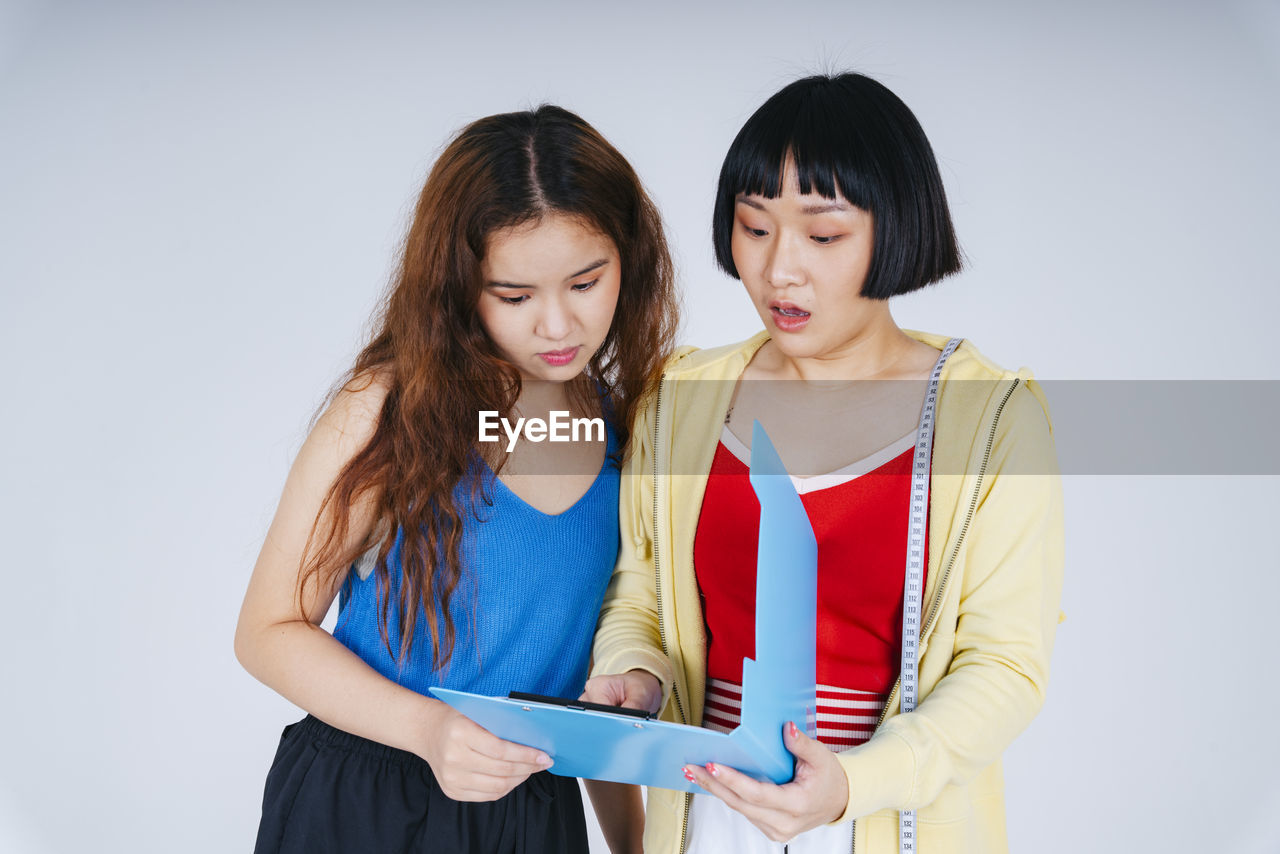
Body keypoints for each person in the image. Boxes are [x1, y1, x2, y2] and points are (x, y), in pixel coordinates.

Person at [583, 73, 1064, 854]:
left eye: (824, 235)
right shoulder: (683, 397)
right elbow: (641, 589)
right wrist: (635, 675)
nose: (779, 271)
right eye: (754, 227)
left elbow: (1005, 667)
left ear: (897, 227)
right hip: (712, 817)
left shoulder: (993, 418)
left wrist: (851, 786)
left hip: (887, 815)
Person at [235, 104, 677, 854]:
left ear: (627, 262)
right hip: (367, 801)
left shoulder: (628, 428)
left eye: (585, 282)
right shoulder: (389, 408)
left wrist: (632, 845)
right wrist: (431, 731)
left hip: (532, 812)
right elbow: (267, 631)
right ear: (458, 286)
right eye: (515, 296)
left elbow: (587, 696)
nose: (559, 326)